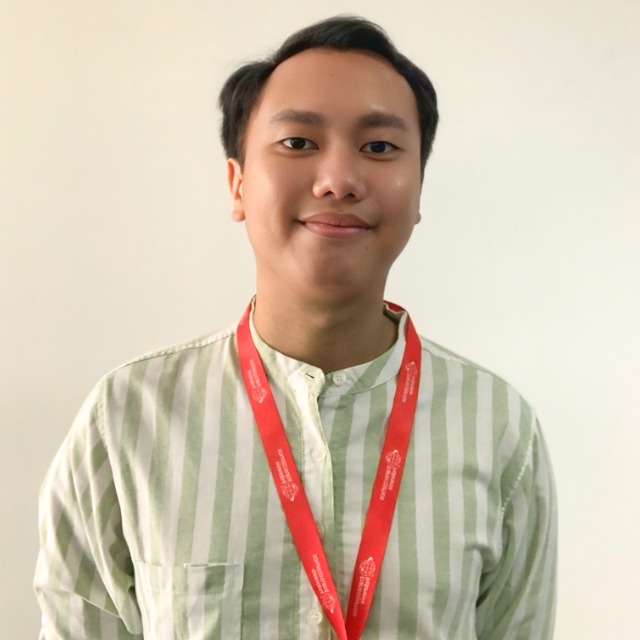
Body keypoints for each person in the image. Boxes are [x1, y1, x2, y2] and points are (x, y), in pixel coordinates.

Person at [34, 15, 557, 639]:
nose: (338, 180)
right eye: (299, 142)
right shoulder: (127, 418)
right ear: (237, 185)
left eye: (379, 147)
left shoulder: (497, 427)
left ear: (419, 190)